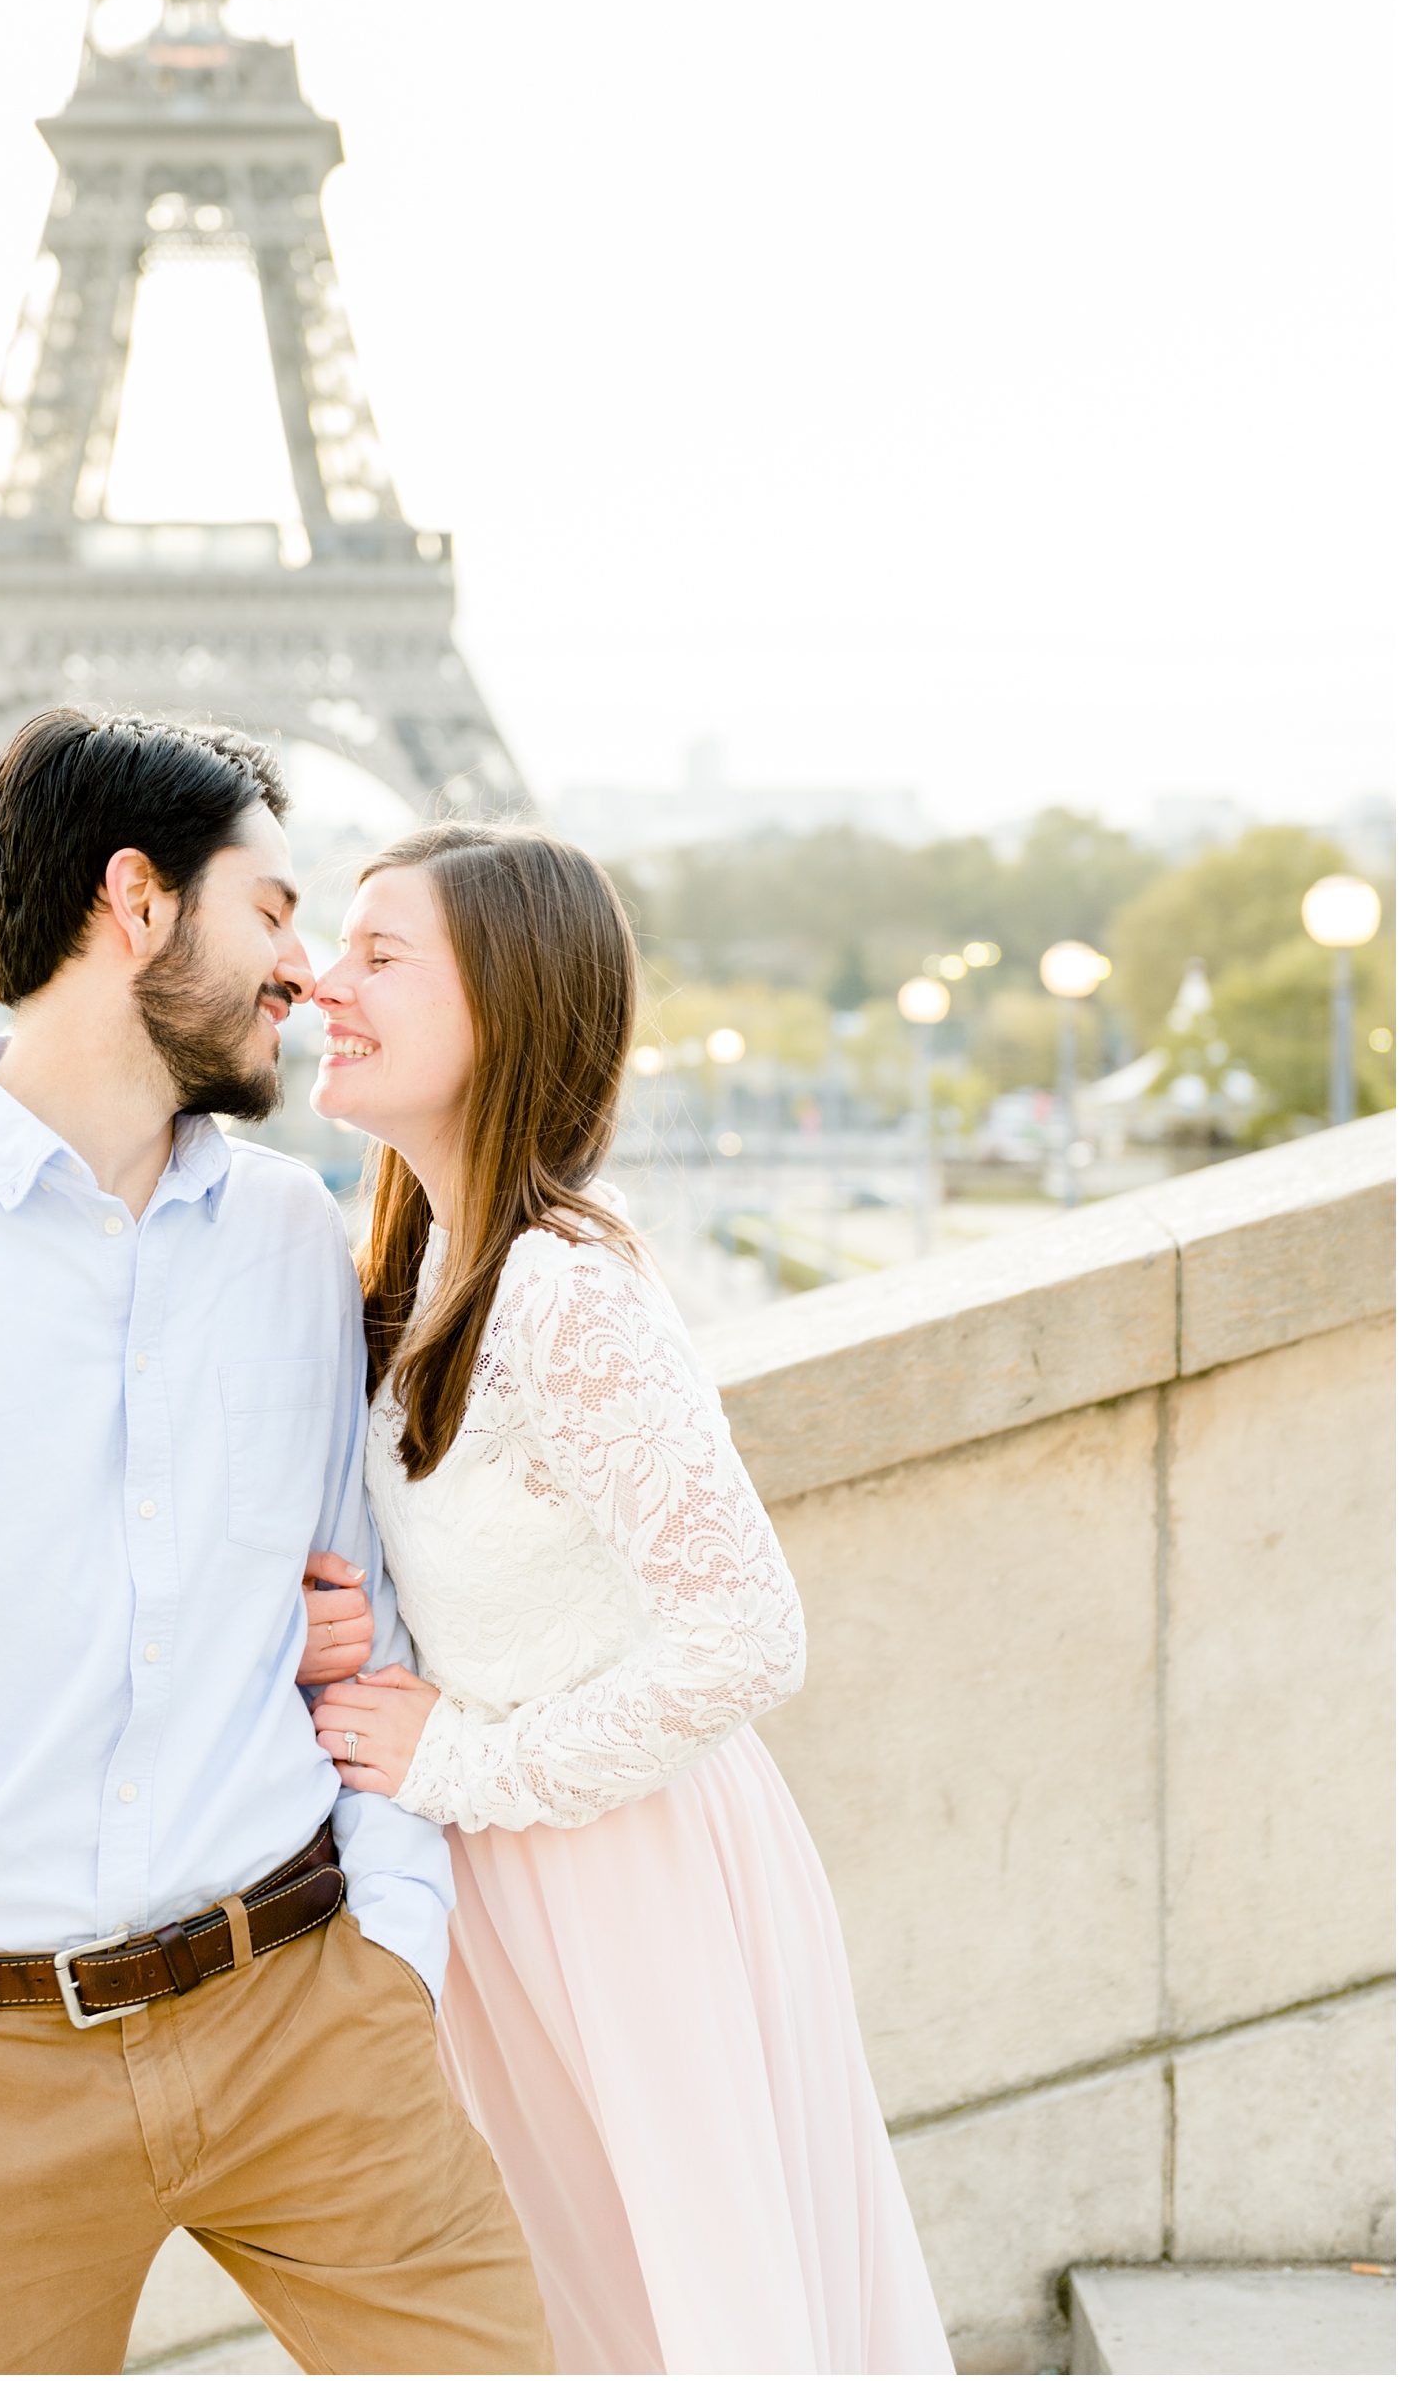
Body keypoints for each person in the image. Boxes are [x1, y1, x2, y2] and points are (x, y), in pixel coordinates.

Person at [0, 711, 553, 2379]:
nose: (301, 968)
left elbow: (367, 1616)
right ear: (136, 905)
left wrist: (395, 1952)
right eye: (273, 909)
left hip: (309, 2013)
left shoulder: (296, 1239)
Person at [302, 822, 954, 2377]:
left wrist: (459, 1758)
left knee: (682, 2317)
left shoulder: (560, 1294)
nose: (328, 981)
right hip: (517, 1890)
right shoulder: (425, 1271)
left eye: (382, 956)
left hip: (628, 1883)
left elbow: (748, 1633)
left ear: (508, 1006)